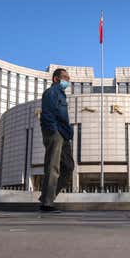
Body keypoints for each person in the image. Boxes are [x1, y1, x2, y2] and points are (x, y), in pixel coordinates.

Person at [39, 68, 74, 212]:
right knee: (53, 166)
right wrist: (53, 131)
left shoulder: (61, 94)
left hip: (64, 134)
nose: (67, 81)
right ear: (56, 79)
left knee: (68, 167)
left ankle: (46, 196)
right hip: (55, 133)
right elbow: (47, 113)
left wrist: (68, 132)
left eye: (68, 79)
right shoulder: (51, 93)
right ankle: (47, 203)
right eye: (65, 77)